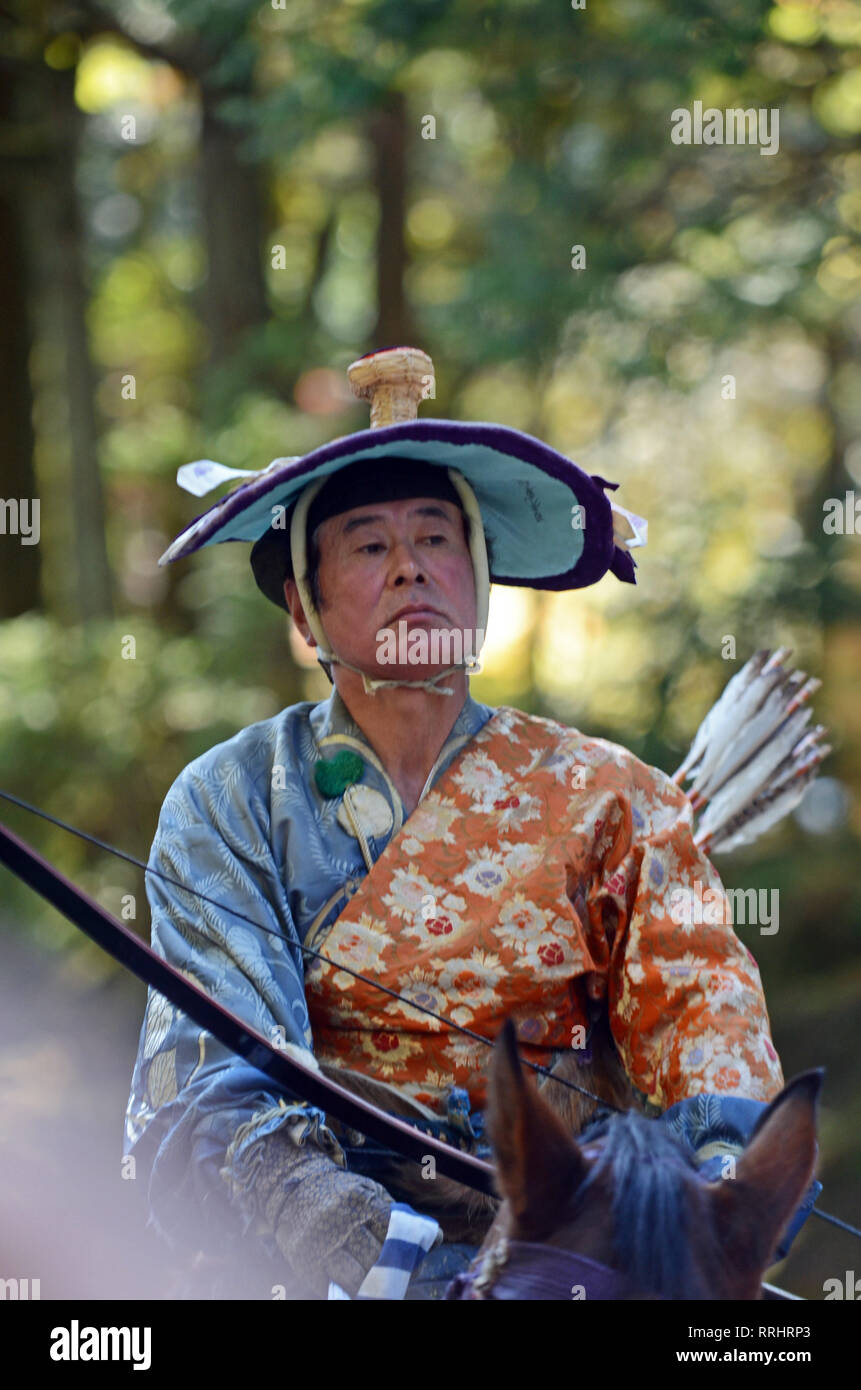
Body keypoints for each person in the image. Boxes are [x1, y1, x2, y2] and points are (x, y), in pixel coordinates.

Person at [124, 347, 816, 1300]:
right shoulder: (232, 797)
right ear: (303, 604)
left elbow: (705, 1019)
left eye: (438, 540)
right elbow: (218, 1066)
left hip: (580, 1250)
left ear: (480, 576)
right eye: (368, 546)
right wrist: (341, 1234)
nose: (410, 568)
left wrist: (719, 1193)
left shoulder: (615, 795)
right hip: (317, 1254)